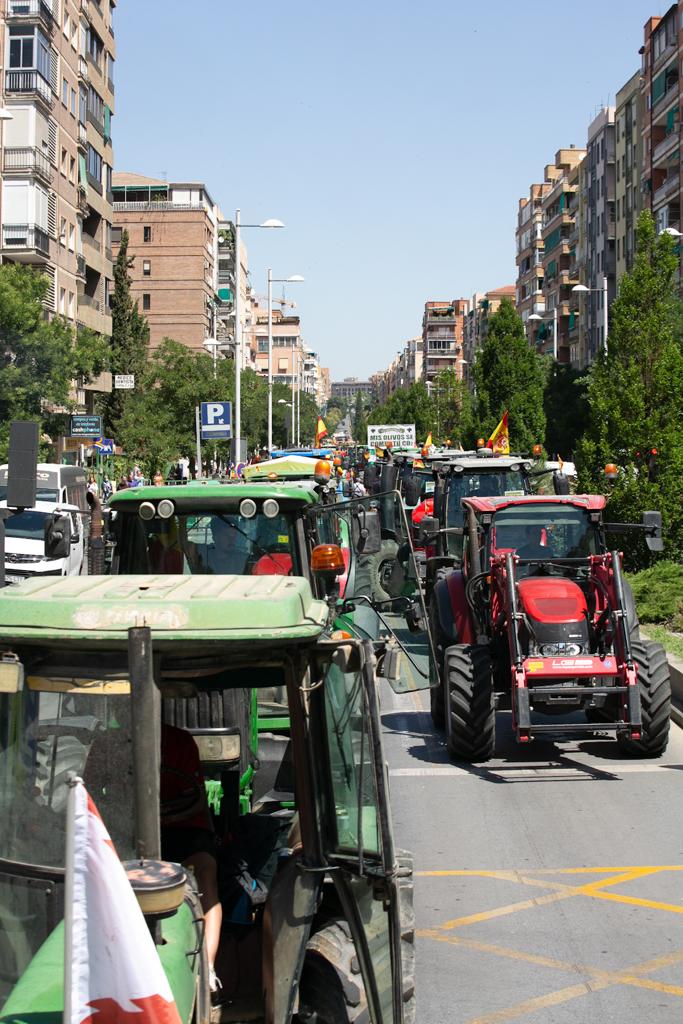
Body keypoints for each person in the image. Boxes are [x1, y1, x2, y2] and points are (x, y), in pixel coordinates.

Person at [160, 724, 222, 995]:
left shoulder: (180, 741)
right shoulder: (108, 743)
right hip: (129, 828)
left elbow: (195, 799)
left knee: (205, 870)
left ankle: (207, 968)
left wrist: (166, 817)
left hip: (182, 826)